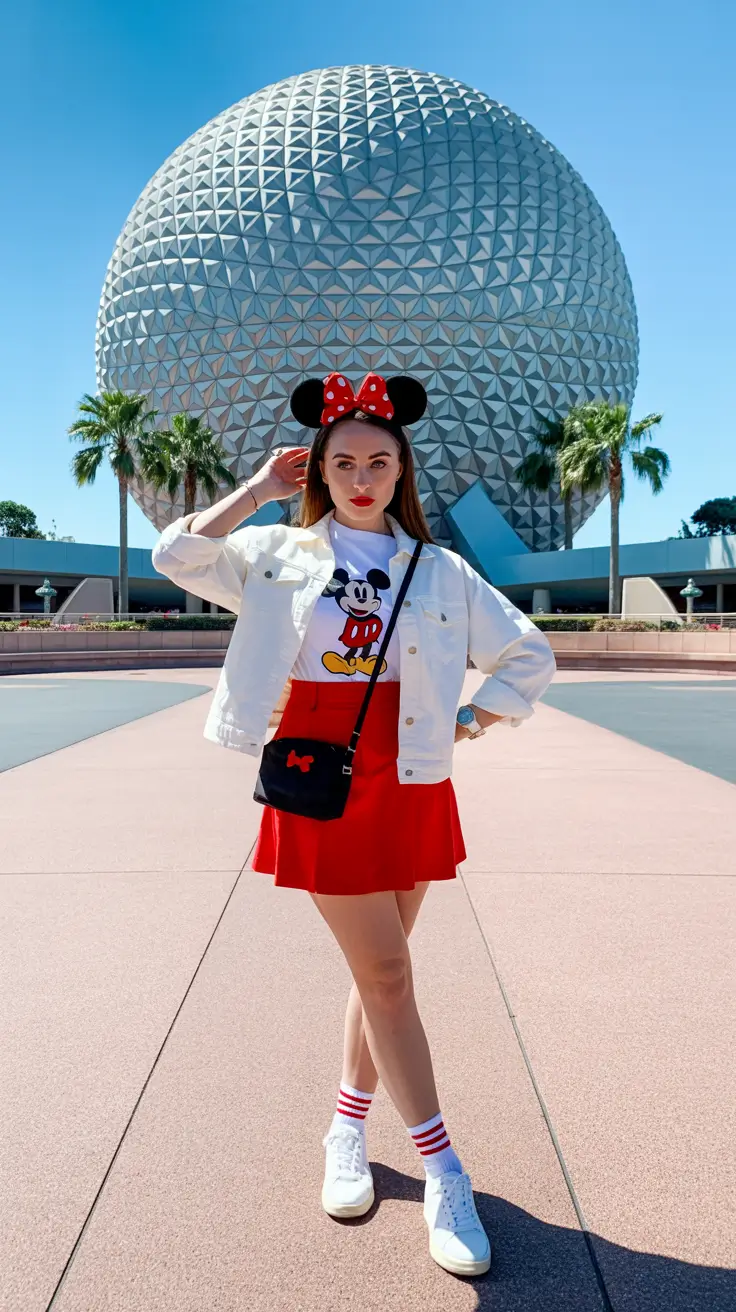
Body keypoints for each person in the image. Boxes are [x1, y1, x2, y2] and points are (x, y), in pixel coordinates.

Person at [152, 370, 556, 1279]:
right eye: (344, 464)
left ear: (403, 468)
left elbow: (529, 651)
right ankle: (443, 1166)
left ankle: (345, 1129)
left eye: (379, 460)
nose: (362, 476)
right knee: (386, 971)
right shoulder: (273, 552)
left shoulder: (439, 568)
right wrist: (257, 490)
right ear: (320, 473)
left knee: (381, 977)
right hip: (319, 777)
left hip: (411, 775)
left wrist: (472, 717)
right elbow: (174, 555)